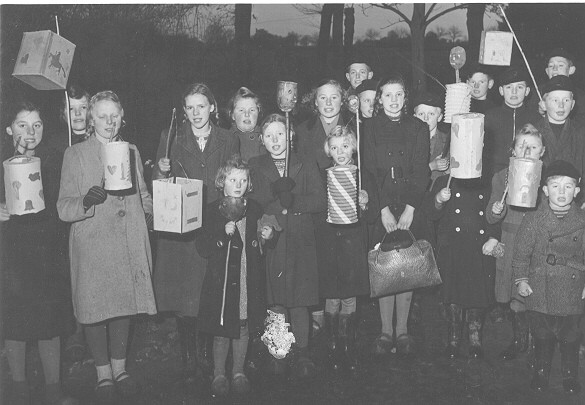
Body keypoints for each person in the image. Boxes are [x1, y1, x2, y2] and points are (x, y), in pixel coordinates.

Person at [57, 91, 156, 401]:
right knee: (95, 309)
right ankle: (103, 374)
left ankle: (120, 368)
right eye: (102, 115)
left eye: (114, 115)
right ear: (91, 119)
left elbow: (143, 195)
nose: (109, 121)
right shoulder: (75, 155)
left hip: (126, 239)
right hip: (93, 241)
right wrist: (86, 200)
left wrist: (156, 211)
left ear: (121, 116)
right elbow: (63, 207)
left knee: (123, 306)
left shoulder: (132, 151)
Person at [152, 83, 239, 389]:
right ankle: (190, 361)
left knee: (209, 294)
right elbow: (157, 183)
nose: (196, 113)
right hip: (182, 230)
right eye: (189, 107)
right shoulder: (171, 137)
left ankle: (206, 358)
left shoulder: (228, 138)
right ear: (183, 111)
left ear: (212, 107)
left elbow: (234, 178)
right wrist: (161, 171)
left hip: (213, 224)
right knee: (184, 299)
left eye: (201, 106)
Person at [1, 101, 77, 405]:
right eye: (22, 125)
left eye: (37, 125)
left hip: (47, 252)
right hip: (11, 255)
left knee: (49, 320)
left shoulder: (54, 160)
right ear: (9, 129)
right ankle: (17, 387)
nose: (30, 132)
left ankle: (53, 389)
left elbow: (63, 201)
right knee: (15, 321)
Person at [249, 113, 326, 378]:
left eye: (280, 134)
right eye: (269, 136)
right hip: (274, 241)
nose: (275, 140)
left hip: (301, 240)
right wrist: (274, 198)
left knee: (300, 299)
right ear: (261, 140)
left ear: (290, 135)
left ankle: (303, 353)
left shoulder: (304, 161)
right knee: (276, 299)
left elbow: (319, 201)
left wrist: (294, 200)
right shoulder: (256, 164)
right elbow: (255, 201)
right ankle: (278, 353)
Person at [196, 156, 276, 397]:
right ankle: (219, 373)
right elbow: (202, 247)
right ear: (222, 182)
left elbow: (263, 244)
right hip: (221, 285)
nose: (238, 184)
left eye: (243, 179)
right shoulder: (212, 211)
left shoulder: (255, 209)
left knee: (243, 326)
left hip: (246, 280)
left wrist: (267, 234)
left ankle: (238, 372)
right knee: (222, 329)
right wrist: (222, 234)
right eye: (232, 179)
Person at [363, 73, 430, 356]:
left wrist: (411, 208)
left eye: (398, 94)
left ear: (405, 98)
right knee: (385, 267)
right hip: (382, 205)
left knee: (406, 267)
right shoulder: (367, 127)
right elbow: (366, 170)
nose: (393, 100)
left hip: (409, 204)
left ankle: (402, 330)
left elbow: (422, 168)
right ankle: (385, 331)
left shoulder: (418, 127)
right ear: (379, 99)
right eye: (387, 95)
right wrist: (382, 210)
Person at [513, 160, 585, 394]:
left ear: (577, 190)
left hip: (572, 286)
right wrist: (522, 280)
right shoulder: (534, 219)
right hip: (540, 287)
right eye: (555, 186)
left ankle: (570, 376)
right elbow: (522, 253)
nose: (561, 192)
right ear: (544, 190)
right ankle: (541, 373)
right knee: (542, 335)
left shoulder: (582, 221)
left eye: (568, 186)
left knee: (571, 336)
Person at [318, 125, 378, 373]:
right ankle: (332, 344)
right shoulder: (323, 175)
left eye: (344, 146)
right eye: (334, 147)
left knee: (350, 294)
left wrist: (365, 202)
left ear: (353, 146)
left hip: (353, 240)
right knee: (332, 293)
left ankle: (347, 345)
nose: (340, 151)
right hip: (331, 241)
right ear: (328, 151)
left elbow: (372, 214)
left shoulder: (363, 175)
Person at [486, 124, 546, 361]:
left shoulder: (547, 179)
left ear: (542, 152)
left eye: (533, 147)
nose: (526, 150)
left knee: (535, 292)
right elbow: (491, 217)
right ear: (512, 151)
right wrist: (497, 209)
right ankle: (520, 339)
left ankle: (538, 342)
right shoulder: (501, 177)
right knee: (513, 294)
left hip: (537, 243)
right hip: (510, 240)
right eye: (521, 145)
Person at [428, 167, 499, 359]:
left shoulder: (487, 181)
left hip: (479, 245)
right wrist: (438, 201)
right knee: (453, 292)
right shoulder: (445, 181)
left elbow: (496, 214)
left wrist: (493, 237)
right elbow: (431, 215)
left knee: (477, 292)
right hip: (453, 246)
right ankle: (453, 337)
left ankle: (475, 337)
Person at [296, 79, 348, 336]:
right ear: (314, 102)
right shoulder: (302, 131)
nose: (328, 103)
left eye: (334, 98)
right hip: (316, 206)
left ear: (342, 100)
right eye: (323, 98)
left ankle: (336, 314)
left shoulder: (354, 128)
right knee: (316, 260)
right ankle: (316, 316)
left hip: (344, 206)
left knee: (337, 261)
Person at [484, 66, 539, 179]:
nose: (514, 92)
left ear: (527, 91)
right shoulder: (490, 117)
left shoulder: (536, 118)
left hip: (527, 174)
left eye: (519, 87)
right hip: (494, 175)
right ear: (501, 91)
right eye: (509, 87)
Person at [534, 75, 585, 177]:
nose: (561, 105)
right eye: (555, 100)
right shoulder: (533, 132)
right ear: (543, 104)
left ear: (573, 104)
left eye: (566, 100)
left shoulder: (581, 132)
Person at [527, 47, 585, 120]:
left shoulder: (581, 97)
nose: (554, 69)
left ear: (571, 70)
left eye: (560, 65)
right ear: (547, 71)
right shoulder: (535, 93)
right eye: (551, 66)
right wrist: (540, 113)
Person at [227, 87, 265, 161]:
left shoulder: (266, 137)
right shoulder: (226, 140)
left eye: (252, 110)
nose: (247, 114)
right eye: (241, 110)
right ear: (232, 115)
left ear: (258, 113)